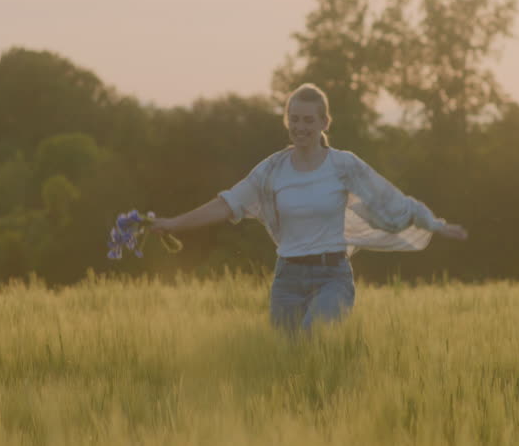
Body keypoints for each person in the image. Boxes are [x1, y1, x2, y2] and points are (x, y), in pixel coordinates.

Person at [150, 83, 468, 334]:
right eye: (295, 119)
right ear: (287, 120)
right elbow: (226, 203)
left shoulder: (344, 165)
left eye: (308, 120)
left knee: (315, 337)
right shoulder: (271, 170)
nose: (300, 127)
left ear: (324, 122)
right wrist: (172, 223)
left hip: (333, 277)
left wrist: (434, 223)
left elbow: (390, 201)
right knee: (290, 365)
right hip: (287, 279)